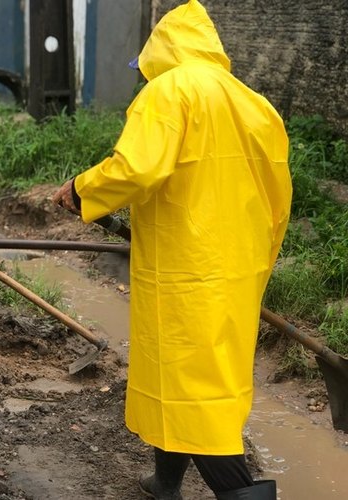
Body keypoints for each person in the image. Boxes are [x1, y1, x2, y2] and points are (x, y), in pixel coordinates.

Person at [52, 1, 291, 499]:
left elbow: (136, 168)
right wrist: (258, 263)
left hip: (187, 270)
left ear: (162, 51)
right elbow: (279, 200)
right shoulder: (255, 104)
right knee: (200, 380)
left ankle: (240, 492)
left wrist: (80, 190)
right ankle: (164, 482)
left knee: (192, 391)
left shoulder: (170, 90)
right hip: (237, 269)